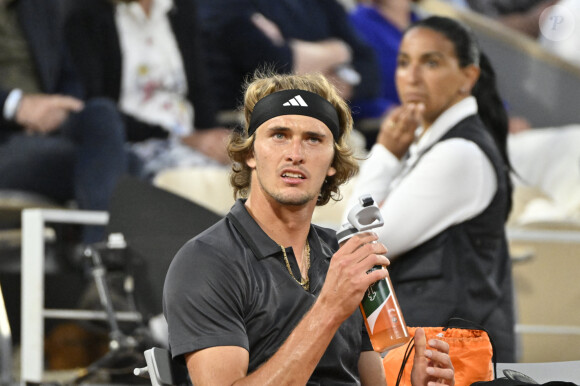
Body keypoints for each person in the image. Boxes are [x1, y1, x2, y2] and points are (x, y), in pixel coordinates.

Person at [163, 71, 455, 385]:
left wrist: (415, 383)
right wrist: (329, 308)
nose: (295, 155)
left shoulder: (346, 255)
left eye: (313, 139)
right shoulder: (205, 262)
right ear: (250, 153)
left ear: (332, 162)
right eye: (279, 135)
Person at [344, 16, 516, 361]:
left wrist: (385, 155)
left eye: (431, 62)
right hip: (431, 353)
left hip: (451, 360)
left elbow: (358, 247)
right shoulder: (433, 143)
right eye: (404, 62)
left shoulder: (458, 153)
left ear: (468, 77)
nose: (412, 77)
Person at [0, 0, 127, 244]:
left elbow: (68, 77)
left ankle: (96, 254)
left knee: (102, 113)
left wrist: (56, 109)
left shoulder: (38, 7)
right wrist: (16, 107)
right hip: (6, 143)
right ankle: (102, 259)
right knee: (122, 166)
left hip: (46, 136)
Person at [64, 0, 230, 179]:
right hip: (134, 145)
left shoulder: (179, 8)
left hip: (192, 142)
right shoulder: (86, 15)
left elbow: (199, 88)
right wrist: (181, 139)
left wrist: (213, 137)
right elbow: (98, 110)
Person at [196, 0, 381, 113]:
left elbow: (369, 69)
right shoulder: (220, 4)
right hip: (248, 128)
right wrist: (339, 51)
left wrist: (317, 84)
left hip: (326, 123)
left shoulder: (322, 3)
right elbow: (274, 65)